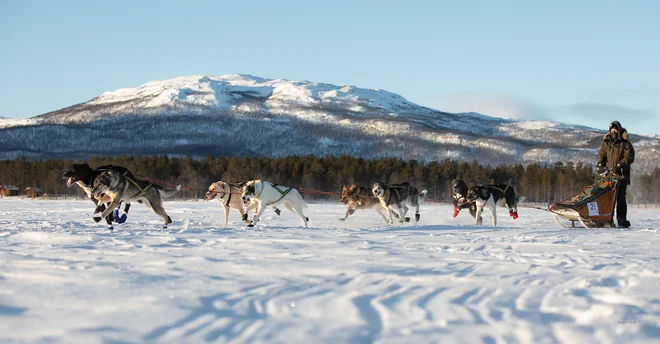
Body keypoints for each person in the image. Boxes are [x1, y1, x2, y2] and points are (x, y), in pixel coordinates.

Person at [597, 120, 635, 228]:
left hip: (621, 175)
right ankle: (606, 219)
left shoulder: (625, 143)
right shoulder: (606, 142)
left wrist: (619, 166)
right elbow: (601, 155)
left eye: (615, 129)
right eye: (612, 129)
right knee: (607, 198)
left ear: (619, 130)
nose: (613, 131)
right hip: (608, 175)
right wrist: (600, 166)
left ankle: (621, 220)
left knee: (620, 198)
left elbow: (629, 157)